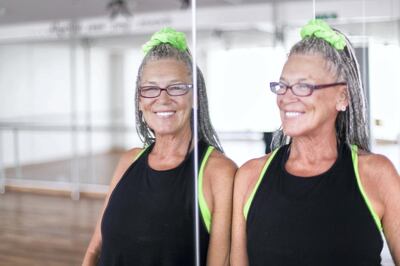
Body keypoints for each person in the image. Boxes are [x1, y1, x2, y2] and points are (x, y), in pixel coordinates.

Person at [231, 19, 400, 266]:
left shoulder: (377, 175)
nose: (286, 97)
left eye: (303, 86)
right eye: (283, 85)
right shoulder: (249, 177)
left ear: (342, 97)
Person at [82, 27, 237, 266]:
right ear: (140, 99)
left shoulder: (218, 172)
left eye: (176, 87)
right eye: (151, 88)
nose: (162, 99)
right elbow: (94, 250)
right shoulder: (128, 161)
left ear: (195, 96)